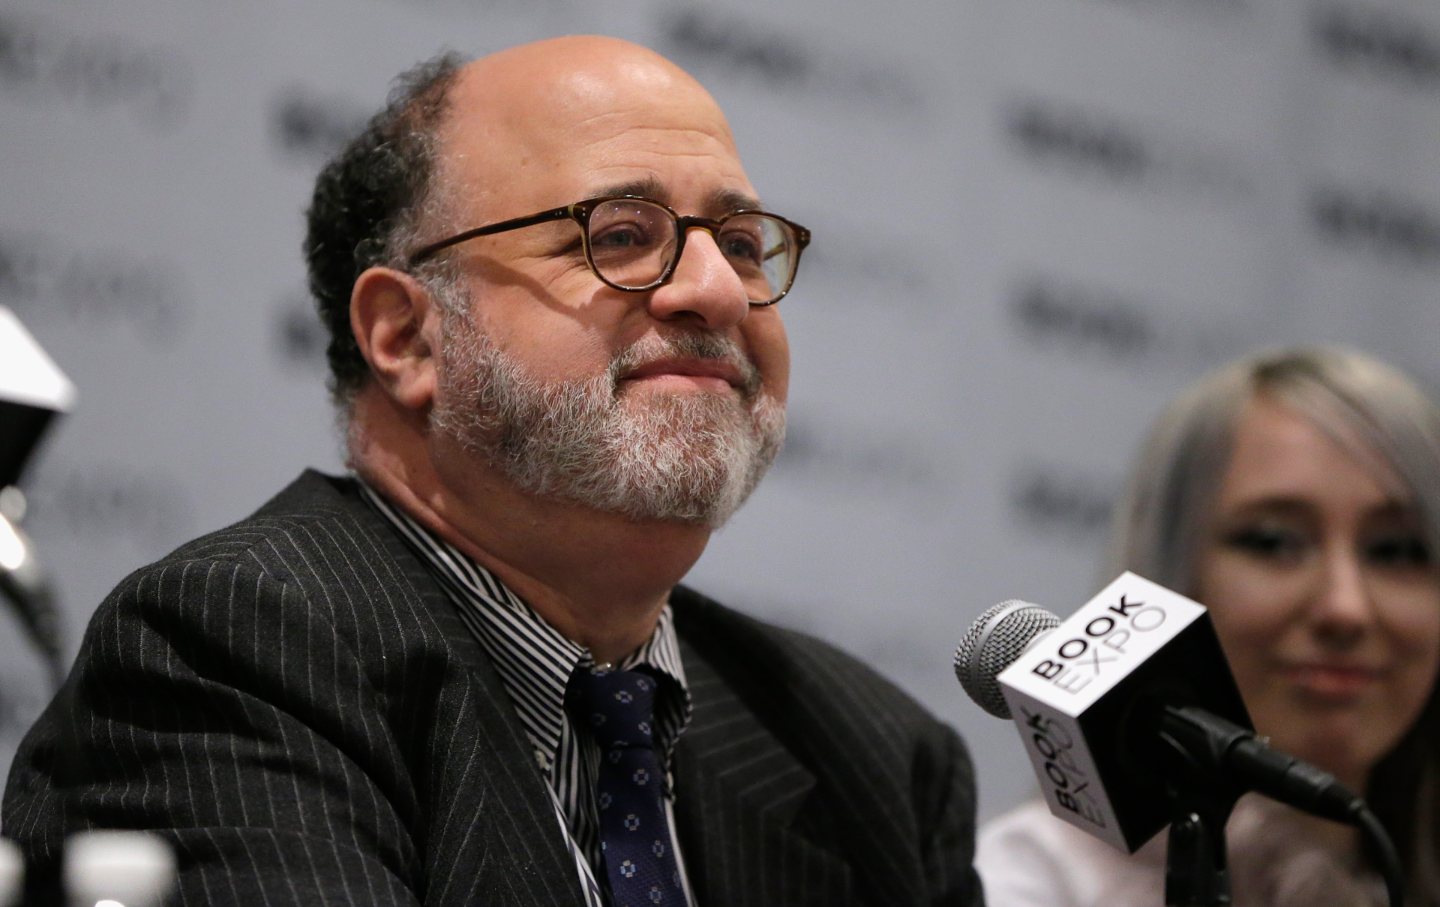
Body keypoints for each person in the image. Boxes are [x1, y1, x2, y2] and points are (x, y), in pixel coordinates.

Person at [1, 36, 985, 907]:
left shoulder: (872, 755)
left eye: (739, 243)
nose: (717, 290)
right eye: (620, 235)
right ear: (406, 336)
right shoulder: (232, 652)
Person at [978, 346, 1440, 906]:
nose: (1346, 608)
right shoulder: (1031, 884)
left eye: (1396, 550)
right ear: (1169, 576)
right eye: (1272, 541)